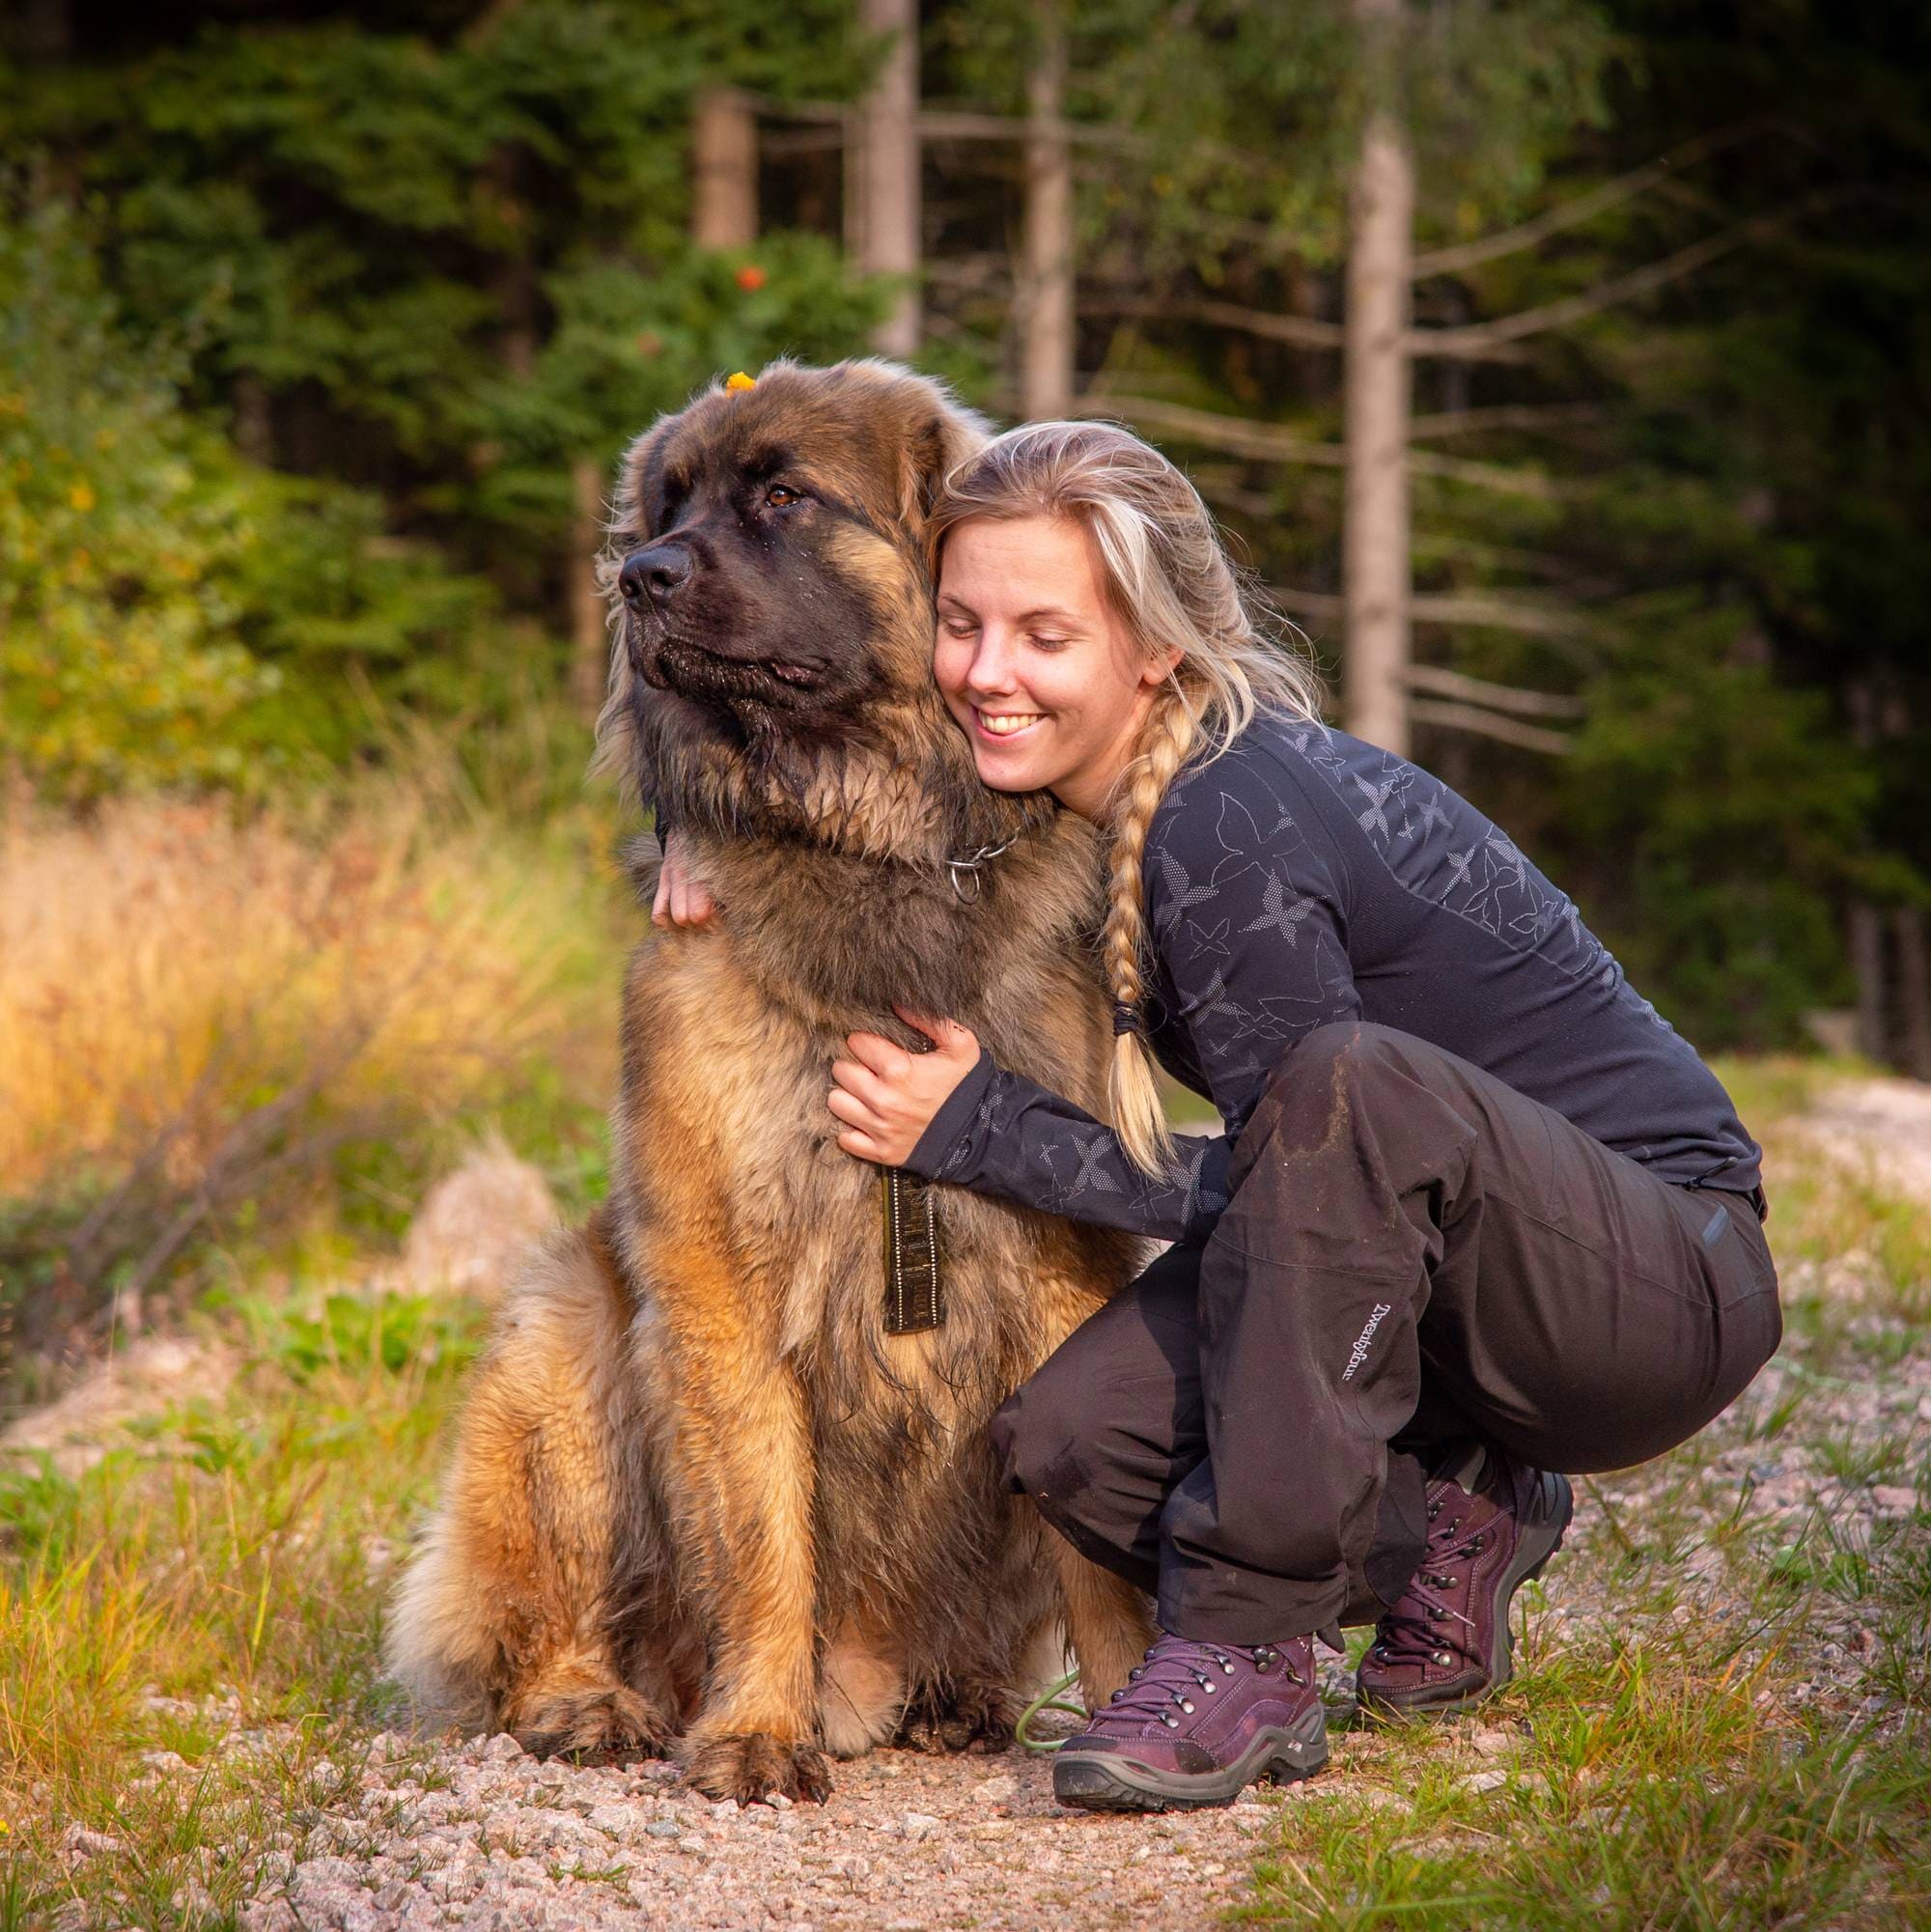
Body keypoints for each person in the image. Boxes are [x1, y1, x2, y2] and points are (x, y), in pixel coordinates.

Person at [656, 419, 1780, 1815]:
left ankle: (1251, 1644)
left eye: (1044, 637)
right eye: (962, 624)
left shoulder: (1226, 822)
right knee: (1077, 1440)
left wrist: (980, 1127)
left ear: (1158, 650)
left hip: (1655, 1281)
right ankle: (1459, 1519)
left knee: (1343, 1094)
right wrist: (707, 830)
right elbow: (861, 744)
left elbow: (1306, 1176)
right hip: (1454, 1256)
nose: (988, 674)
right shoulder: (1096, 793)